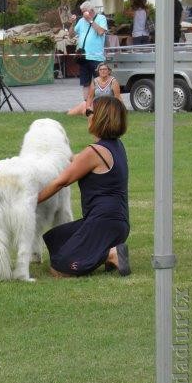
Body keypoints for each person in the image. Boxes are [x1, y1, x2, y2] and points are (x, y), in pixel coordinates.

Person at [38, 96, 130, 277]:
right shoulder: (115, 146)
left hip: (103, 222)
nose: (86, 115)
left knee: (59, 269)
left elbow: (61, 181)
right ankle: (108, 249)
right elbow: (76, 159)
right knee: (55, 239)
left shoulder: (94, 152)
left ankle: (110, 254)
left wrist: (31, 200)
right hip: (116, 222)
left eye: (89, 112)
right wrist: (55, 151)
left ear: (101, 117)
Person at [68, 1, 107, 111]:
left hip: (96, 57)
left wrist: (90, 20)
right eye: (82, 12)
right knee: (85, 83)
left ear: (91, 11)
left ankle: (102, 106)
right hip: (83, 57)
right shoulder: (81, 21)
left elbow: (100, 32)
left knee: (100, 82)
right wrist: (72, 23)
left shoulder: (101, 18)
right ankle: (86, 106)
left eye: (84, 11)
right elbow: (71, 35)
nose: (83, 14)